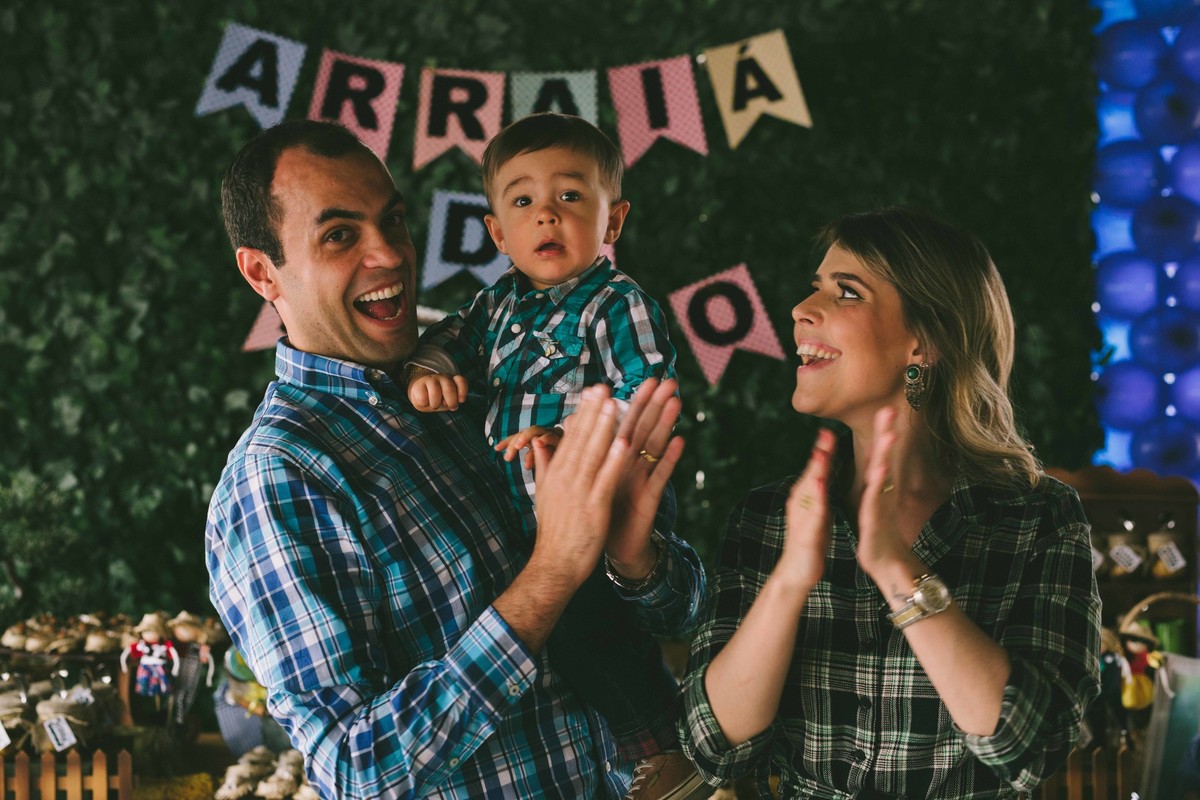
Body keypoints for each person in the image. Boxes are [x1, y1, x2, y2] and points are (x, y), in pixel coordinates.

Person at [204, 119, 706, 800]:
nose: (389, 254)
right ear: (263, 272)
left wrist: (632, 559)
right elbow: (355, 769)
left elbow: (680, 611)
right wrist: (552, 572)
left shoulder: (487, 374)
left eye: (393, 221)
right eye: (340, 235)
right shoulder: (280, 477)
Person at [678, 206, 1102, 799]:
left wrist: (897, 570)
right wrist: (790, 581)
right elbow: (713, 749)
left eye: (847, 292)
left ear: (923, 341)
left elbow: (1033, 746)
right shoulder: (767, 518)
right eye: (814, 287)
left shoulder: (1038, 518)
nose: (801, 311)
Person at [402, 112, 700, 798]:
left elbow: (648, 390)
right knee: (558, 639)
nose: (547, 216)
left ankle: (667, 744)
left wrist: (580, 439)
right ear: (498, 233)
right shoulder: (495, 306)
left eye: (570, 197)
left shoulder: (615, 303)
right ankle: (634, 746)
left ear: (612, 221)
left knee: (589, 630)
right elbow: (451, 338)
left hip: (608, 498)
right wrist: (432, 367)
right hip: (536, 522)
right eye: (524, 201)